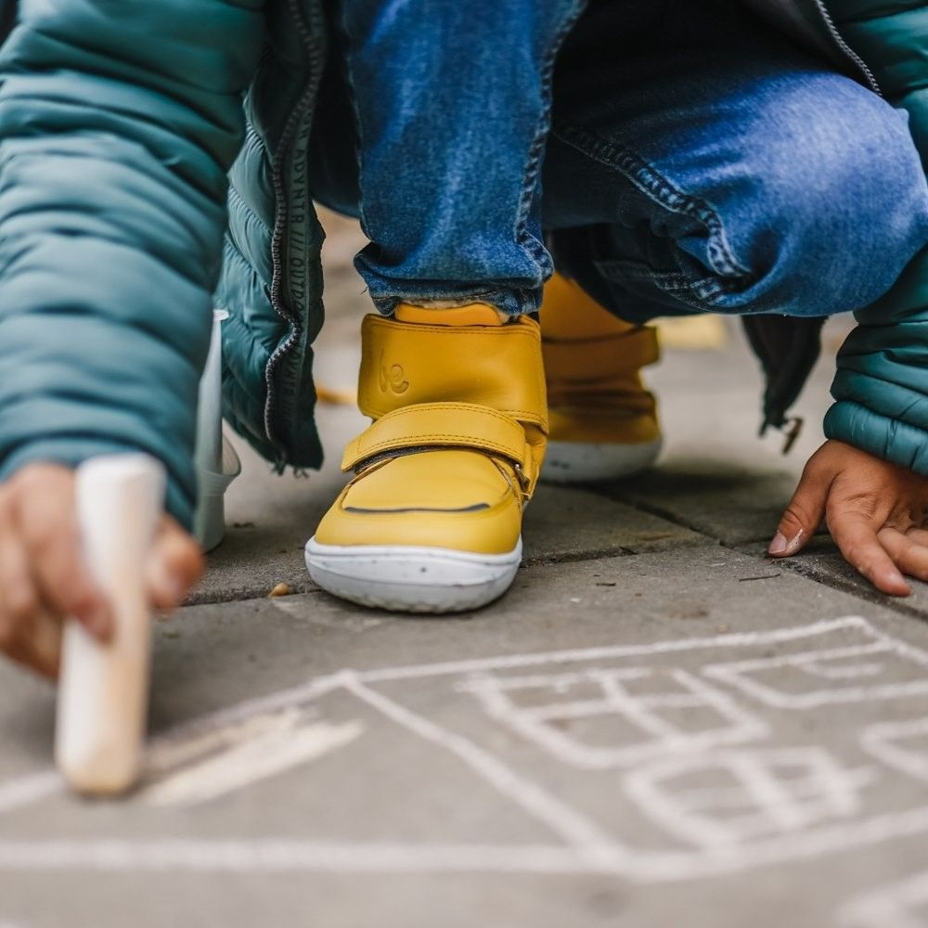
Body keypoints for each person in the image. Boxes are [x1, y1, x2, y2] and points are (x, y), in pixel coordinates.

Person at [1, 0, 928, 678]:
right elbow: (119, 79)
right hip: (389, 87)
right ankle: (453, 359)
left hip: (666, 81)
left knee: (842, 193)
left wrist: (903, 405)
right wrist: (86, 417)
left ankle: (573, 297)